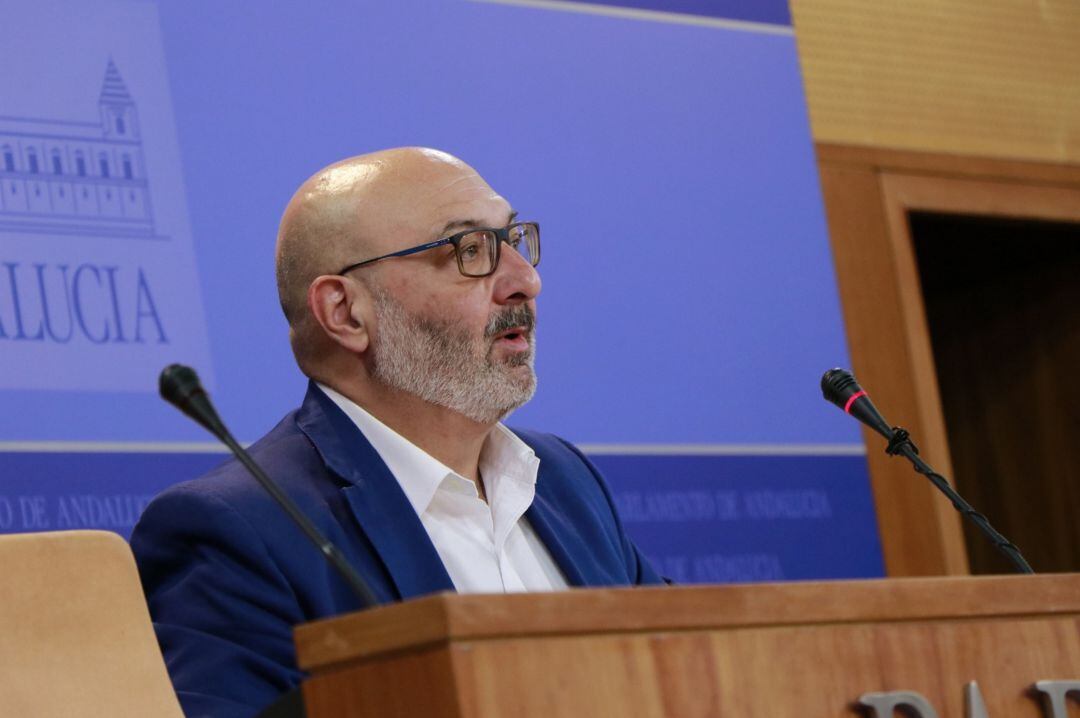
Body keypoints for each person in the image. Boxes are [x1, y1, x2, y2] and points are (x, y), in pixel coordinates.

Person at [130, 147, 664, 718]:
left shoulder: (562, 481)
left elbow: (684, 671)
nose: (524, 280)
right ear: (345, 312)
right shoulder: (237, 533)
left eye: (513, 240)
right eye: (470, 251)